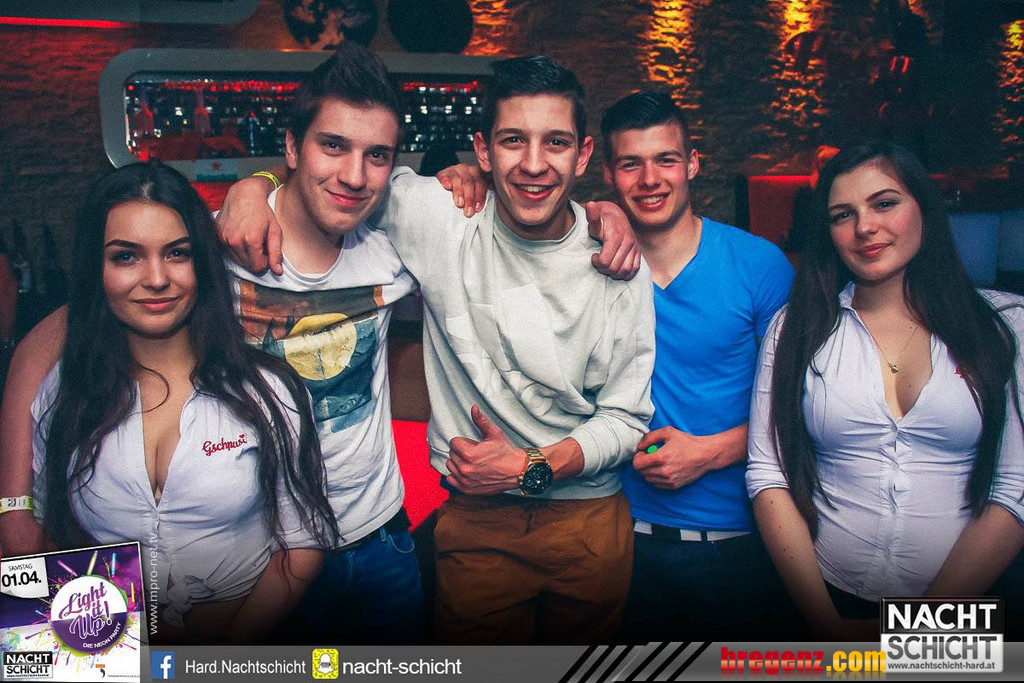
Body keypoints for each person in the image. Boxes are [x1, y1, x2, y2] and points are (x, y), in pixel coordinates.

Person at [216, 55, 653, 645]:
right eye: (512, 140)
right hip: (461, 523)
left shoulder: (617, 259)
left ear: (582, 155)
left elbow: (626, 417)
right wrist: (252, 188)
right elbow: (329, 174)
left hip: (581, 520)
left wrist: (531, 466)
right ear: (483, 150)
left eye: (555, 142)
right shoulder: (435, 216)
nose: (533, 163)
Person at [28, 161, 336, 644]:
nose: (156, 278)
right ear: (96, 269)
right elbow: (47, 538)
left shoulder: (266, 389)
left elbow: (301, 545)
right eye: (126, 257)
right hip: (111, 657)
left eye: (177, 253)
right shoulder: (65, 392)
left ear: (203, 265)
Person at [747, 141, 1024, 640]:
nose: (864, 227)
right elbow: (769, 473)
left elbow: (1014, 488)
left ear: (923, 207)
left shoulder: (1004, 324)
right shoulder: (797, 327)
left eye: (884, 203)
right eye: (843, 215)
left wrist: (915, 630)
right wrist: (827, 627)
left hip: (962, 610)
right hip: (824, 599)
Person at [599, 92, 797, 640]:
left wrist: (707, 453)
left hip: (735, 543)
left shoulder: (758, 265)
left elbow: (803, 406)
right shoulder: (593, 264)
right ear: (609, 174)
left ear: (691, 163)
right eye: (630, 164)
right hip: (617, 538)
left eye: (665, 159)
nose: (650, 179)